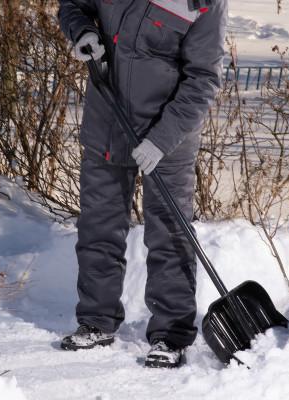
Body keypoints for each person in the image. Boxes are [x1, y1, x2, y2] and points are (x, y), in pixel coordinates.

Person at [57, 0, 227, 368]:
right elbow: (73, 4)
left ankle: (171, 333)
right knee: (98, 226)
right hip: (107, 124)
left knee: (170, 234)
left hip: (169, 137)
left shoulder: (202, 3)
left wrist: (162, 139)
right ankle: (96, 321)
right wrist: (82, 30)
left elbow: (203, 78)